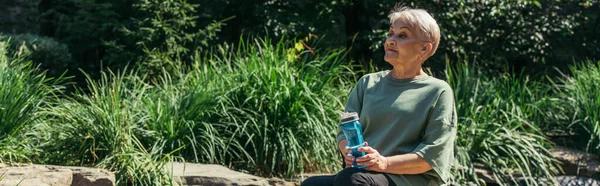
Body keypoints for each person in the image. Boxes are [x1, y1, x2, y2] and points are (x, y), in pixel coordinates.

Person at [301, 5, 457, 186]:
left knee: (352, 180)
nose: (391, 40)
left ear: (424, 49)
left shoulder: (438, 91)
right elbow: (344, 131)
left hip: (407, 180)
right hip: (363, 174)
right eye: (391, 33)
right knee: (312, 184)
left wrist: (384, 163)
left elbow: (433, 153)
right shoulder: (367, 83)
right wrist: (349, 153)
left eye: (402, 35)